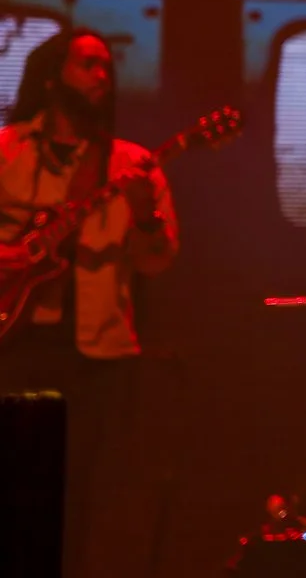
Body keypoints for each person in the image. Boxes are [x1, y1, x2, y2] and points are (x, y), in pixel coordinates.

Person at [0, 28, 177, 578]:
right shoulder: (5, 149)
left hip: (95, 356)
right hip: (15, 342)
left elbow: (157, 259)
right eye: (88, 65)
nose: (102, 77)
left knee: (78, 497)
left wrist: (145, 213)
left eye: (107, 67)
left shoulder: (132, 163)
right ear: (53, 76)